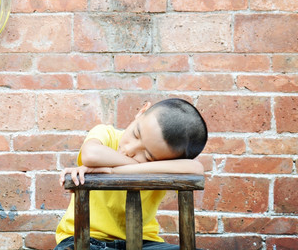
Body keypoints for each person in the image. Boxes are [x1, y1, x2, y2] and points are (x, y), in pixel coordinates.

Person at [54, 98, 208, 250]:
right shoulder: (106, 134)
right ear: (142, 111)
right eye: (136, 134)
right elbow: (91, 154)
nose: (130, 149)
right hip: (87, 239)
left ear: (171, 160)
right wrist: (141, 164)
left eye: (148, 156)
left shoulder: (164, 163)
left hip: (145, 242)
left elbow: (196, 168)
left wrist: (114, 171)